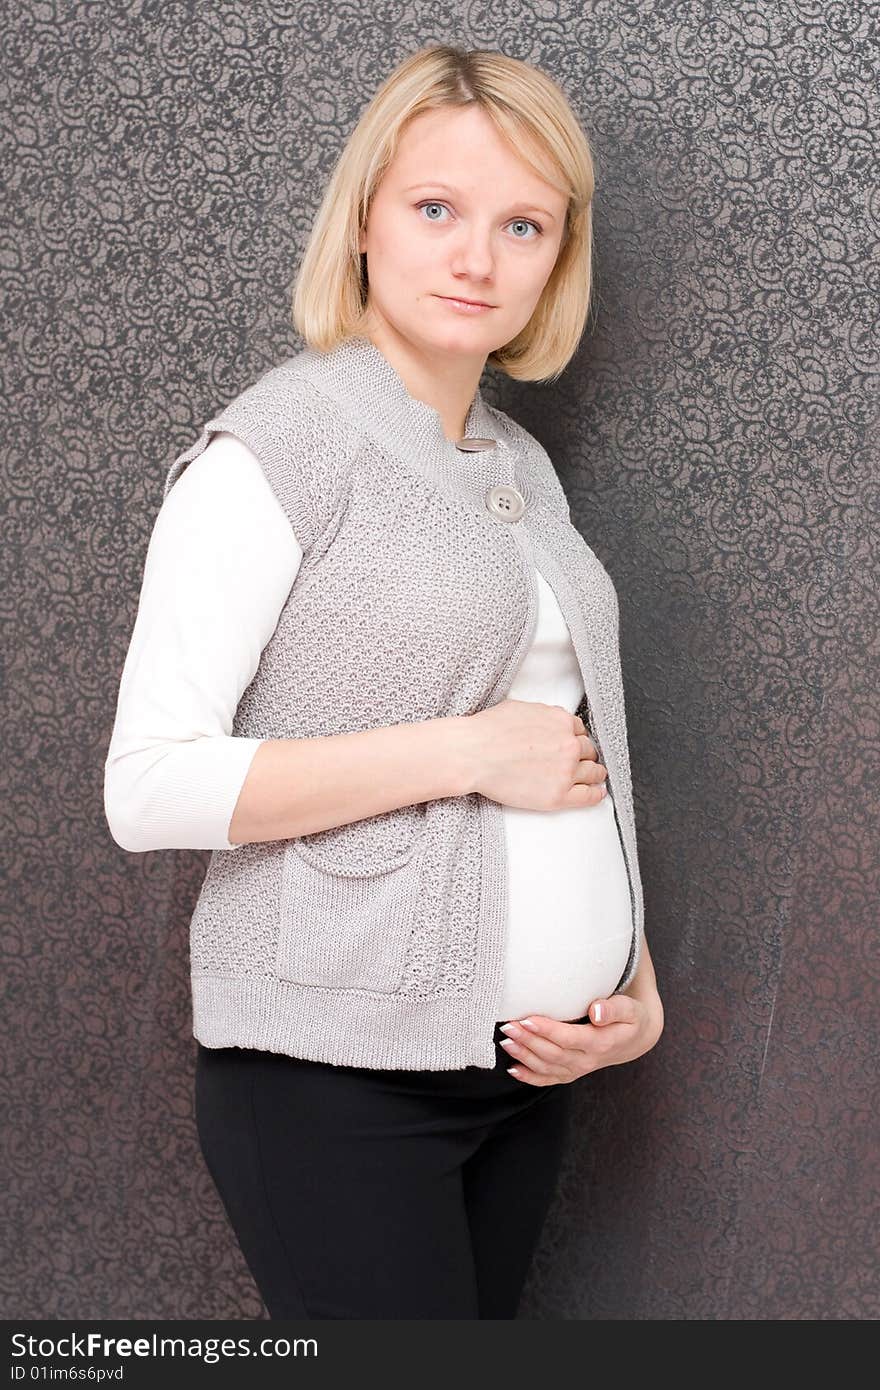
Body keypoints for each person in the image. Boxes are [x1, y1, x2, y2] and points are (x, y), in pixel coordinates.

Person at [104, 44, 664, 1320]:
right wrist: (464, 751)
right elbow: (147, 786)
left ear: (555, 257)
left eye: (522, 224)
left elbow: (576, 742)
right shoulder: (277, 449)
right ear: (363, 221)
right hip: (333, 1083)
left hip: (522, 1080)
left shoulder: (514, 458)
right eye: (436, 210)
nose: (478, 258)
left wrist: (631, 984)